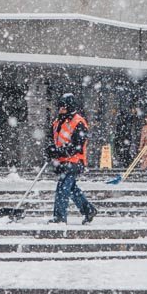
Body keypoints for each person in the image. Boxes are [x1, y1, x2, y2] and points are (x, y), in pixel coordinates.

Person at [45, 92, 98, 224]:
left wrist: (59, 151)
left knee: (62, 188)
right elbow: (51, 138)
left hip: (74, 162)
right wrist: (51, 150)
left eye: (63, 106)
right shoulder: (57, 122)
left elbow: (77, 146)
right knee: (72, 189)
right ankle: (88, 210)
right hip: (62, 162)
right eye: (60, 107)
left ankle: (60, 217)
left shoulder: (78, 122)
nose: (60, 109)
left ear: (69, 106)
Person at [112, 103, 144, 169]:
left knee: (123, 151)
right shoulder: (127, 119)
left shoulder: (123, 120)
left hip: (123, 136)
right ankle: (127, 163)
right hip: (125, 136)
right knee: (124, 151)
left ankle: (127, 163)